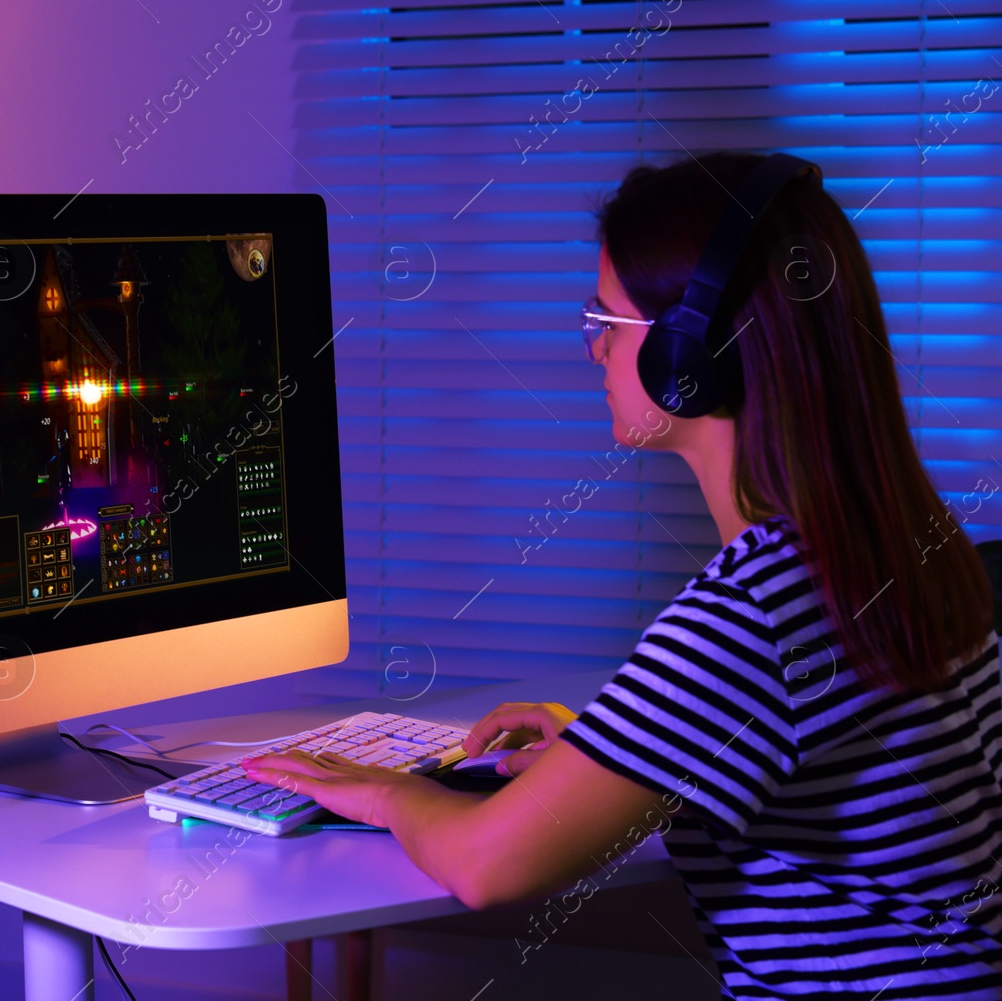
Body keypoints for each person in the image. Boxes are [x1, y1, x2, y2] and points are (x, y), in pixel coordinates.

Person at [245, 152, 1002, 999]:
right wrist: (609, 752)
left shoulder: (754, 609)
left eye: (607, 319)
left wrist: (384, 793)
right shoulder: (904, 540)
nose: (596, 349)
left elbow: (486, 864)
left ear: (691, 353)